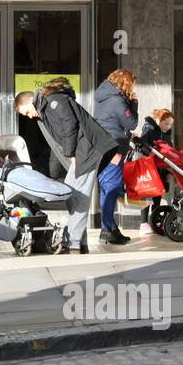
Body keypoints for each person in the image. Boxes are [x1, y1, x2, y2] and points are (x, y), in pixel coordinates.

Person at [30, 76, 117, 254]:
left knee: (79, 197)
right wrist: (53, 171)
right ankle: (80, 241)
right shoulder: (46, 110)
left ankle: (72, 242)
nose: (28, 116)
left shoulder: (54, 101)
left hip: (88, 151)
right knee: (72, 195)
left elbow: (70, 125)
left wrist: (71, 154)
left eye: (25, 111)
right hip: (83, 152)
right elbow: (57, 143)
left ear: (28, 102)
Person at [93, 69, 139, 245]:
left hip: (104, 147)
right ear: (125, 83)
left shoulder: (103, 96)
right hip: (115, 148)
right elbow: (132, 123)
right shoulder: (116, 100)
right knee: (111, 188)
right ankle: (107, 229)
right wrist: (134, 103)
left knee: (107, 188)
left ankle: (111, 227)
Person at [136, 108, 175, 235]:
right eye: (166, 124)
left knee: (157, 194)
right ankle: (143, 223)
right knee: (147, 194)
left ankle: (154, 221)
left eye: (170, 124)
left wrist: (169, 172)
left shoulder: (166, 133)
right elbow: (140, 145)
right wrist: (151, 151)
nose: (168, 127)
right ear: (158, 120)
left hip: (160, 168)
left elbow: (169, 151)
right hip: (147, 166)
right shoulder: (149, 130)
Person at [13, 90, 53, 176]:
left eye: (27, 112)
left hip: (42, 149)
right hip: (37, 149)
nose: (30, 116)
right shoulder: (37, 116)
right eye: (26, 114)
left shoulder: (48, 112)